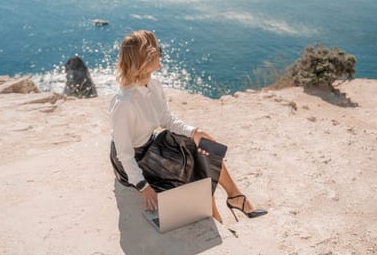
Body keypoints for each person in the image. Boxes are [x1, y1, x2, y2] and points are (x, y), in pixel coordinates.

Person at [109, 30, 267, 223]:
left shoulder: (153, 86)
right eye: (157, 50)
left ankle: (235, 195)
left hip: (151, 146)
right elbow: (123, 154)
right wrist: (143, 186)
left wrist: (194, 132)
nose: (161, 52)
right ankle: (216, 212)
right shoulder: (124, 103)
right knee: (192, 162)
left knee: (203, 145)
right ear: (145, 59)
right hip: (135, 160)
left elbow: (166, 119)